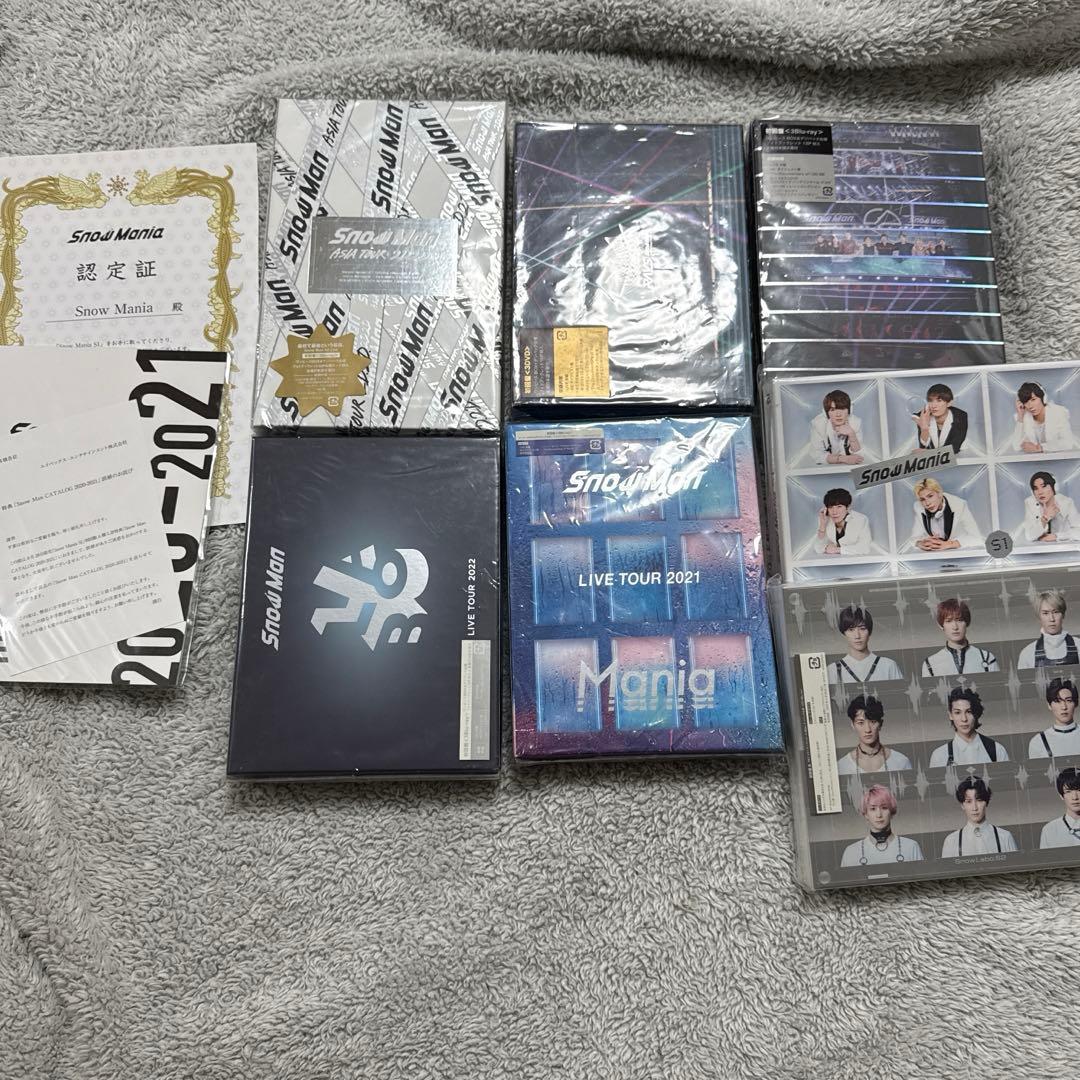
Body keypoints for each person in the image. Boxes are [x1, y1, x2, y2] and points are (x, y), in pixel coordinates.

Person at [840, 785, 924, 866]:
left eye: (884, 808)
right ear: (866, 814)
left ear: (892, 812)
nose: (879, 815)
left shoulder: (911, 847)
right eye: (873, 809)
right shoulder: (851, 852)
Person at [928, 687, 1009, 767]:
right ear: (950, 715)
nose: (964, 719)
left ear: (976, 713)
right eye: (957, 712)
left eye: (969, 712)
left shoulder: (997, 750)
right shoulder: (939, 756)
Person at [941, 777, 1019, 857]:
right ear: (962, 805)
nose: (974, 808)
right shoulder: (951, 841)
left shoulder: (1005, 837)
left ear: (986, 802)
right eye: (969, 801)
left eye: (979, 800)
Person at [921, 598, 999, 677]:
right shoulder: (930, 663)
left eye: (959, 620)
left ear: (967, 622)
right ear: (941, 626)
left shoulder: (986, 657)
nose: (955, 627)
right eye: (948, 621)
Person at [836, 695, 913, 774]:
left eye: (873, 722)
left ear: (880, 724)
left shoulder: (901, 762)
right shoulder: (842, 766)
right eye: (861, 723)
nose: (868, 730)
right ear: (853, 725)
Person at [828, 605, 904, 685]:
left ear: (869, 632)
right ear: (844, 633)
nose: (857, 636)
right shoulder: (832, 670)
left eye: (862, 628)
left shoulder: (888, 665)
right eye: (851, 630)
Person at [909, 477, 982, 551]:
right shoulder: (918, 507)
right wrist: (920, 543)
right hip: (933, 553)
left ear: (940, 493)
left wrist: (951, 544)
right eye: (922, 499)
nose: (927, 503)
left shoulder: (959, 505)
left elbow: (977, 538)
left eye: (930, 496)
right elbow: (914, 538)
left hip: (958, 552)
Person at [1010, 381, 1080, 453]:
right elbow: (1016, 446)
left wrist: (1040, 448)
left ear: (1043, 398)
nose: (1030, 406)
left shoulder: (1058, 412)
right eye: (1026, 402)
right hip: (1034, 459)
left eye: (1033, 399)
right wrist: (1020, 416)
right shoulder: (1025, 416)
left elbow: (1068, 442)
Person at [1018, 589, 1080, 669]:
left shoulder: (1079, 645)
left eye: (1056, 612)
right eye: (1045, 613)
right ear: (1039, 617)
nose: (1051, 619)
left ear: (1063, 615)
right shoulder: (1028, 653)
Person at [1019, 471, 1080, 542]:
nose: (1040, 492)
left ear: (1053, 487)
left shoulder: (1066, 502)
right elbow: (1029, 536)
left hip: (1062, 546)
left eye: (1043, 486)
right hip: (1039, 547)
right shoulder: (1030, 502)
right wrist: (1045, 518)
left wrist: (1057, 536)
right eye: (1036, 488)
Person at [1028, 678, 1080, 758]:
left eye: (1068, 700)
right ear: (1049, 705)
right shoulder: (1038, 741)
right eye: (1057, 701)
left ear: (1076, 703)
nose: (1064, 707)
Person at [810, 389, 864, 465]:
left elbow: (859, 455)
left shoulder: (855, 423)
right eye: (833, 410)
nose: (838, 414)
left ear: (849, 411)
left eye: (842, 409)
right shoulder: (819, 424)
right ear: (826, 413)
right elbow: (817, 455)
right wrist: (844, 459)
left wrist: (852, 434)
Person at [813, 489, 872, 556]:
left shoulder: (861, 519)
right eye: (830, 507)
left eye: (839, 507)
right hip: (833, 560)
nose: (834, 512)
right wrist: (822, 525)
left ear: (848, 507)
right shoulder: (824, 519)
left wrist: (838, 550)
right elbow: (818, 548)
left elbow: (865, 548)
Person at [914, 383, 968, 454]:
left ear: (949, 403)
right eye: (930, 400)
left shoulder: (960, 416)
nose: (933, 406)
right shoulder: (923, 415)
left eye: (939, 401)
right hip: (935, 460)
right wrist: (924, 429)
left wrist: (929, 453)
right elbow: (922, 449)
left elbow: (955, 448)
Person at [1039, 767, 1080, 848]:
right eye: (1068, 792)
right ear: (1061, 796)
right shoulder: (1049, 830)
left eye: (1079, 790)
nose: (1075, 797)